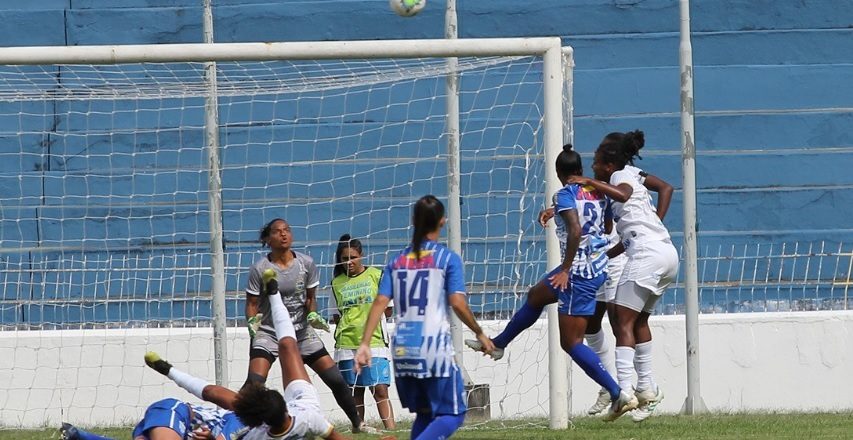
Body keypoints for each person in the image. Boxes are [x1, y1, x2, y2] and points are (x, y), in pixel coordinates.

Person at [465, 144, 639, 421]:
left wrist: (567, 268)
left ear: (559, 173)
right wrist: (558, 213)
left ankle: (617, 393)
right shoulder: (599, 193)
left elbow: (575, 229)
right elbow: (606, 228)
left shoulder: (564, 194)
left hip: (578, 272)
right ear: (580, 171)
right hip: (595, 265)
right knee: (536, 295)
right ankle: (499, 344)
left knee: (571, 343)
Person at [538, 132, 673, 418]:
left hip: (637, 256)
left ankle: (622, 391)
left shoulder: (616, 179)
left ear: (607, 164)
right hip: (657, 252)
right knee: (622, 321)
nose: (593, 164)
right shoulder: (631, 173)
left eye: (597, 160)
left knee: (620, 319)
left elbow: (620, 198)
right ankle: (642, 387)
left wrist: (589, 182)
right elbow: (610, 215)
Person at [354, 195, 495, 439]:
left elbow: (380, 302)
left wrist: (365, 343)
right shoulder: (446, 258)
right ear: (443, 222)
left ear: (413, 220)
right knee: (454, 414)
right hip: (433, 347)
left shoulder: (396, 261)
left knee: (425, 413)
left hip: (402, 347)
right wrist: (479, 332)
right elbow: (457, 302)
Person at [243, 218, 370, 433]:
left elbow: (311, 298)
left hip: (301, 332)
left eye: (287, 230)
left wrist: (312, 314)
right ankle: (238, 428)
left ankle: (359, 424)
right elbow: (252, 304)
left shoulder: (306, 263)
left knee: (336, 380)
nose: (283, 234)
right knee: (254, 384)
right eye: (277, 231)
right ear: (267, 238)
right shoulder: (259, 268)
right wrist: (252, 322)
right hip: (269, 333)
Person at [330, 234, 396, 430]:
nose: (349, 262)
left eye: (353, 257)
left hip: (375, 341)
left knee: (380, 389)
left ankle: (392, 431)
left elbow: (388, 308)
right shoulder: (336, 283)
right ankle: (359, 429)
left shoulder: (376, 275)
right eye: (344, 259)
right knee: (355, 391)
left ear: (361, 255)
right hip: (347, 344)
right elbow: (336, 315)